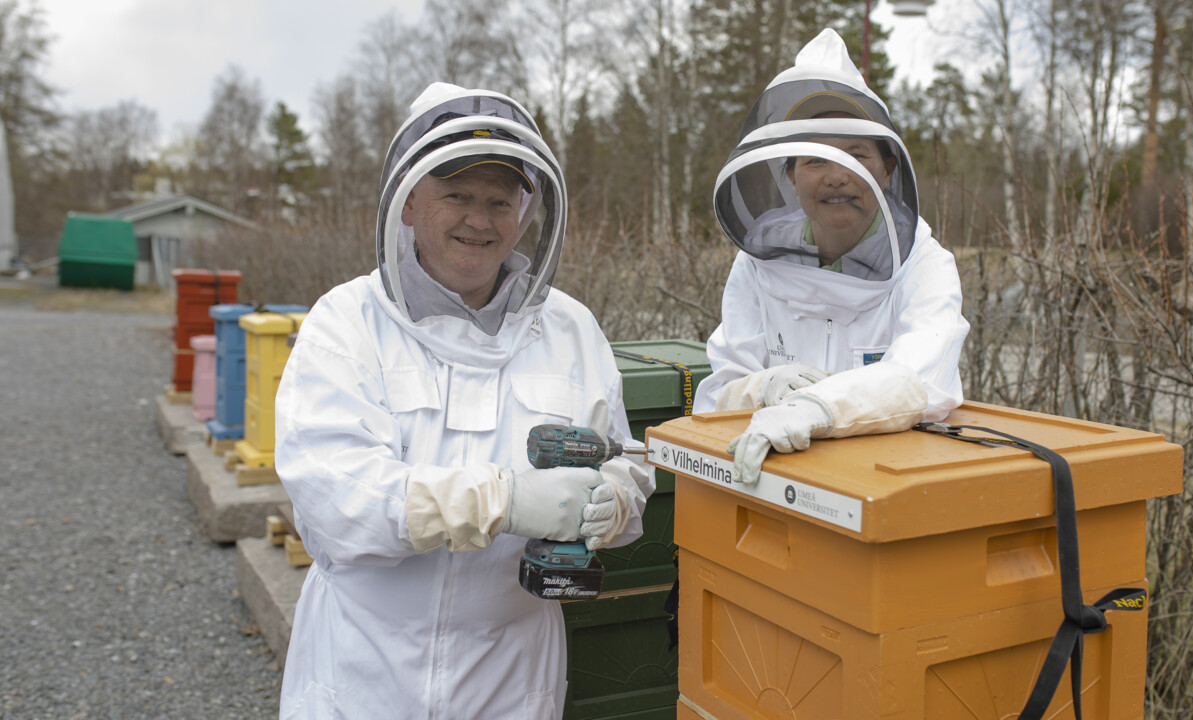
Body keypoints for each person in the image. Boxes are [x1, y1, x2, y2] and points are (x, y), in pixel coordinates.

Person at [273, 82, 653, 719]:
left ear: (526, 213)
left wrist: (610, 501)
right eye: (457, 196)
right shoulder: (347, 322)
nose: (480, 221)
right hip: (363, 666)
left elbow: (624, 461)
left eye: (499, 201)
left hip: (513, 670)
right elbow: (334, 499)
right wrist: (498, 501)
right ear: (410, 203)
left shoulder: (570, 329)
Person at [692, 28, 969, 484]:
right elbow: (720, 392)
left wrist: (818, 407)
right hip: (766, 475)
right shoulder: (757, 262)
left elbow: (923, 381)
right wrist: (764, 388)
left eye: (856, 155)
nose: (837, 176)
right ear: (791, 177)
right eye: (814, 160)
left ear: (888, 170)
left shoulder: (925, 263)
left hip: (886, 482)